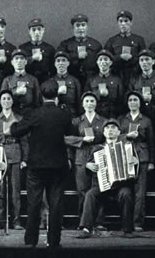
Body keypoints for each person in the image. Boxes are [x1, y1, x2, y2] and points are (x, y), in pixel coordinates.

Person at [9, 81, 74, 248]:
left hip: (36, 166)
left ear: (41, 96)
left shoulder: (34, 113)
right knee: (56, 204)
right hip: (58, 165)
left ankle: (31, 241)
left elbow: (16, 131)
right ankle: (54, 241)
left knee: (34, 203)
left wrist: (14, 123)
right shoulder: (64, 114)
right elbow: (71, 133)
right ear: (57, 95)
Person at [77, 118, 138, 239]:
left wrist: (135, 162)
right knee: (90, 194)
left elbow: (135, 170)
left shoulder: (126, 147)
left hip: (120, 185)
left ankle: (127, 229)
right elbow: (88, 166)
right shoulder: (97, 149)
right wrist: (88, 165)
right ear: (104, 133)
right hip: (101, 185)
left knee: (126, 193)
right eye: (107, 128)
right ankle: (86, 228)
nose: (110, 130)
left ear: (119, 132)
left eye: (113, 128)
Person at [0, 90, 28, 230]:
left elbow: (24, 140)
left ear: (12, 101)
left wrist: (24, 159)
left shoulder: (19, 118)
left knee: (15, 190)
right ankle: (0, 220)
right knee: (0, 190)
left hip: (15, 154)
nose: (6, 101)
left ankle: (16, 221)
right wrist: (4, 134)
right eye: (3, 98)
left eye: (9, 98)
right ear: (0, 101)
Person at [66, 91, 106, 225]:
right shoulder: (76, 121)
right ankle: (83, 222)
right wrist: (82, 139)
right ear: (82, 104)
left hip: (98, 154)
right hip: (81, 155)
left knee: (98, 189)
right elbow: (67, 139)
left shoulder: (103, 121)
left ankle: (98, 222)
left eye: (92, 101)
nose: (89, 104)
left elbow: (108, 139)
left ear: (96, 104)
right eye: (87, 101)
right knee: (82, 190)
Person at [118, 91, 154, 231]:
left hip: (142, 157)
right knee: (125, 190)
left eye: (135, 100)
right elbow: (115, 137)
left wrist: (151, 161)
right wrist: (127, 136)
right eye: (130, 100)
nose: (133, 102)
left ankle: (138, 222)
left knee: (140, 192)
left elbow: (151, 142)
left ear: (140, 103)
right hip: (125, 157)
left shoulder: (146, 120)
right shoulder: (122, 119)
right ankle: (125, 222)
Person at [57, 14, 103, 88]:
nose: (81, 28)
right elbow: (58, 61)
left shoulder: (96, 44)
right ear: (73, 28)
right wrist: (76, 56)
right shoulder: (65, 44)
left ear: (87, 27)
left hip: (91, 79)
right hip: (71, 79)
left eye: (83, 25)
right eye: (77, 25)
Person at [105, 10, 147, 88]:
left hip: (134, 74)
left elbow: (144, 58)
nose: (123, 24)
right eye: (121, 21)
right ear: (118, 23)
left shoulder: (139, 40)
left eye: (126, 21)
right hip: (116, 74)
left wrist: (132, 58)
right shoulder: (112, 40)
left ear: (131, 23)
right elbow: (106, 59)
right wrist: (119, 57)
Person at [128, 49, 155, 123]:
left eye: (147, 59)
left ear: (153, 61)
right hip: (139, 115)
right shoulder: (134, 80)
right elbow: (129, 99)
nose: (144, 62)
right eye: (141, 60)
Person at [84, 49, 124, 119]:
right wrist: (98, 93)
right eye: (100, 60)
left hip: (112, 114)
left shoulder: (117, 80)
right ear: (97, 62)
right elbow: (85, 97)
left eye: (105, 59)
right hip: (96, 114)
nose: (103, 62)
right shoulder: (92, 80)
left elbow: (121, 100)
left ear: (110, 63)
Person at [0, 49, 41, 116]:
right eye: (16, 58)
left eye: (22, 58)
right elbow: (2, 100)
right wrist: (15, 93)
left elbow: (37, 100)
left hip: (29, 113)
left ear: (26, 62)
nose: (19, 61)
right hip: (13, 113)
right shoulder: (7, 80)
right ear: (12, 62)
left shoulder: (33, 79)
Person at [43, 51, 81, 115]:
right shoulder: (51, 81)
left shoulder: (74, 80)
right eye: (58, 61)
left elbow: (79, 101)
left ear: (68, 63)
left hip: (71, 113)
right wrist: (57, 93)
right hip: (55, 114)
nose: (61, 63)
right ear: (55, 64)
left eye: (63, 60)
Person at [19, 18, 56, 84]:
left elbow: (53, 69)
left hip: (45, 81)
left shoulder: (50, 48)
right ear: (29, 32)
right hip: (27, 81)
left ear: (43, 30)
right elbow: (18, 65)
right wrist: (32, 58)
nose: (36, 33)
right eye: (33, 30)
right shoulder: (23, 48)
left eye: (39, 29)